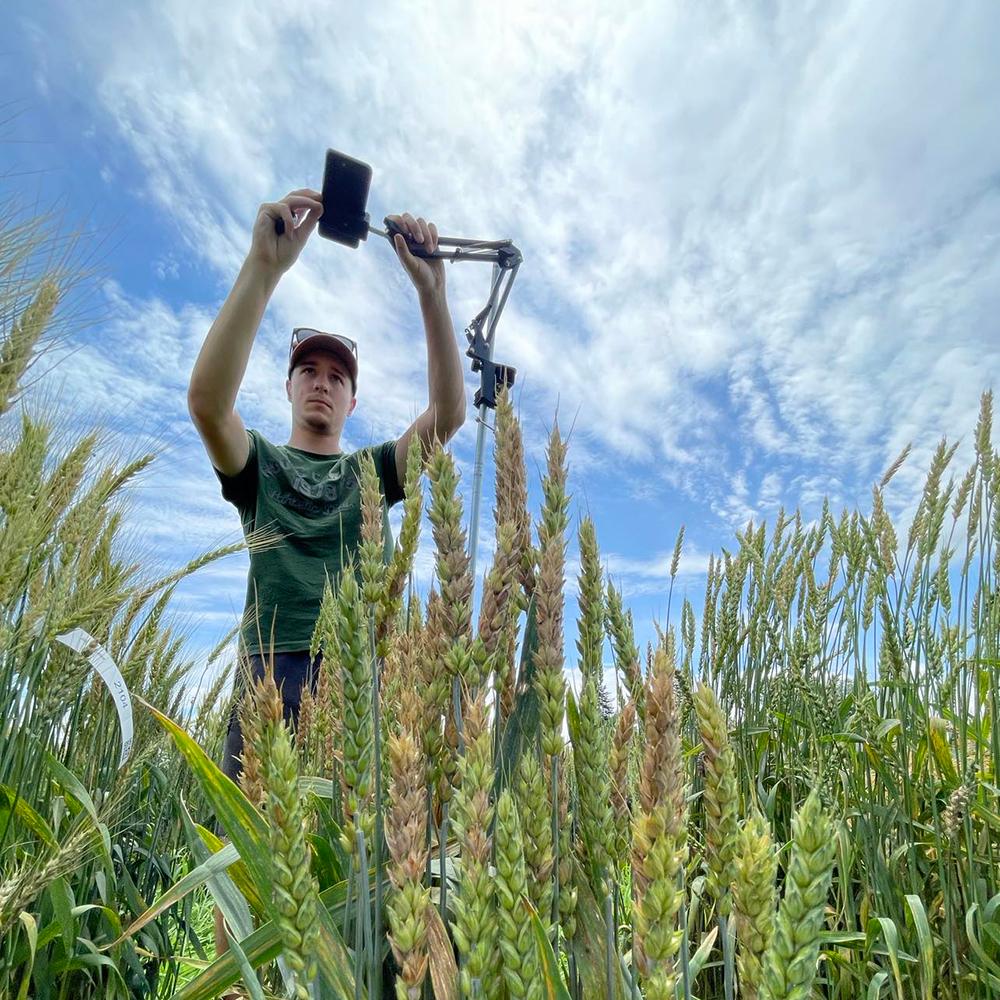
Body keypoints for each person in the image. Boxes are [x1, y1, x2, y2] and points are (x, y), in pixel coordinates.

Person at [186, 187, 465, 962]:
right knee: (250, 876)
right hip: (267, 678)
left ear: (351, 397)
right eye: (306, 369)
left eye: (336, 375)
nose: (320, 380)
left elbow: (447, 416)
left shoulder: (373, 474)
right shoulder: (261, 468)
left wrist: (433, 293)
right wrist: (263, 268)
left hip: (354, 683)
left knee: (355, 878)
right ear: (288, 387)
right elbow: (208, 403)